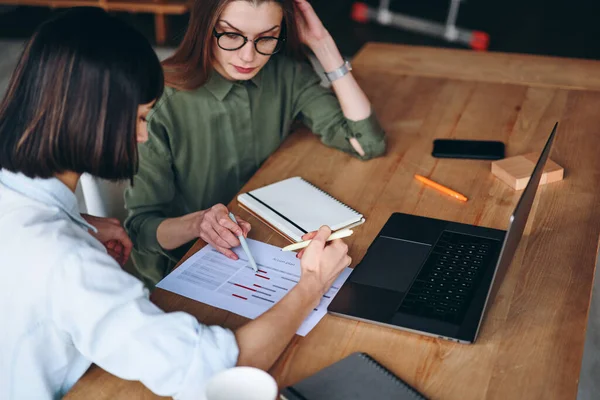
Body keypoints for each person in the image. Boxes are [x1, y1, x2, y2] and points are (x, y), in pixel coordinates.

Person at [0, 8, 351, 399]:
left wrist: (78, 222)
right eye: (139, 118)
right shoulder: (69, 263)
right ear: (92, 120)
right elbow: (219, 372)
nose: (144, 136)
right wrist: (312, 283)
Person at [124, 0, 386, 287]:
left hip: (266, 245)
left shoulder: (286, 73)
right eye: (231, 35)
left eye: (266, 38)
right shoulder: (156, 103)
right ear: (204, 29)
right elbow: (140, 229)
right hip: (180, 271)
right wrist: (198, 224)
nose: (249, 56)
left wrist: (322, 43)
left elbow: (367, 143)